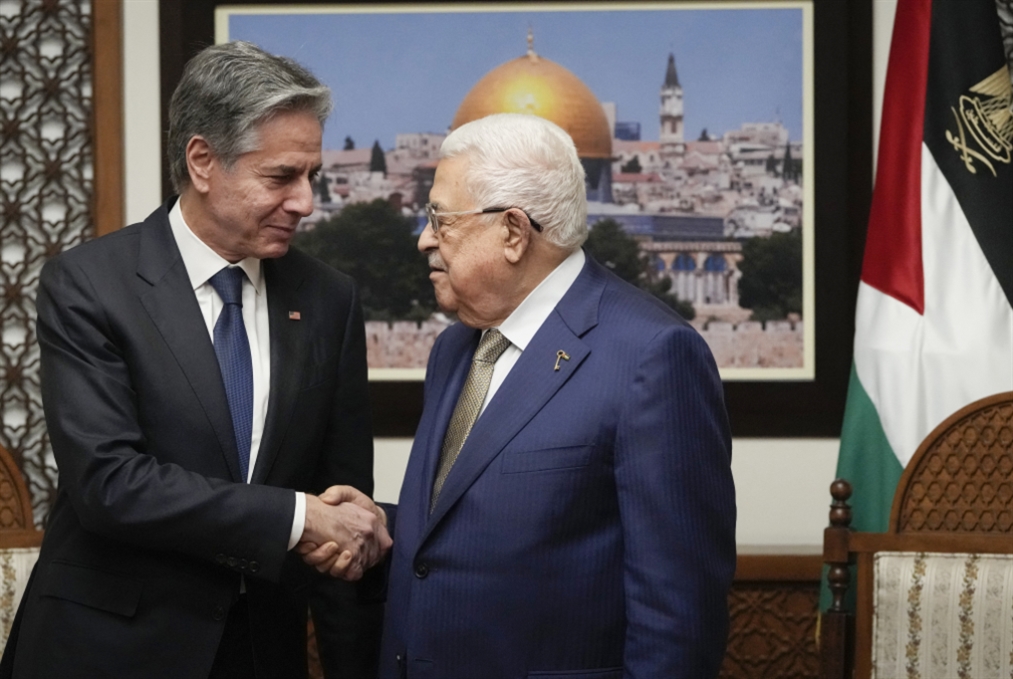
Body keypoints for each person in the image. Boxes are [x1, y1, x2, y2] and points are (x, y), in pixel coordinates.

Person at [1, 41, 390, 679]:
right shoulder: (90, 284)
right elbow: (109, 484)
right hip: (111, 650)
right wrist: (297, 517)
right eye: (281, 177)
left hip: (261, 652)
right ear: (203, 161)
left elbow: (342, 507)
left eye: (312, 177)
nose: (305, 202)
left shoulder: (328, 299)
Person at [377, 113, 736, 677]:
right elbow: (486, 522)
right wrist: (380, 525)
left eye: (441, 219)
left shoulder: (652, 357)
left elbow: (678, 617)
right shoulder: (455, 348)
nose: (424, 239)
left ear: (513, 232)